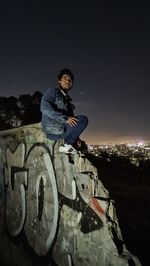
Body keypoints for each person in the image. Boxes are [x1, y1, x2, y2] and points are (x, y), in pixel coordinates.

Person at [40, 68, 88, 154]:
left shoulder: (68, 101)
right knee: (83, 119)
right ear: (59, 81)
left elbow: (73, 121)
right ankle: (67, 145)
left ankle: (68, 145)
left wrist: (77, 138)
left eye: (70, 80)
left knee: (82, 120)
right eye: (65, 79)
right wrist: (64, 119)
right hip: (52, 129)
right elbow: (44, 108)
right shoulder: (53, 91)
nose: (68, 81)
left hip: (62, 130)